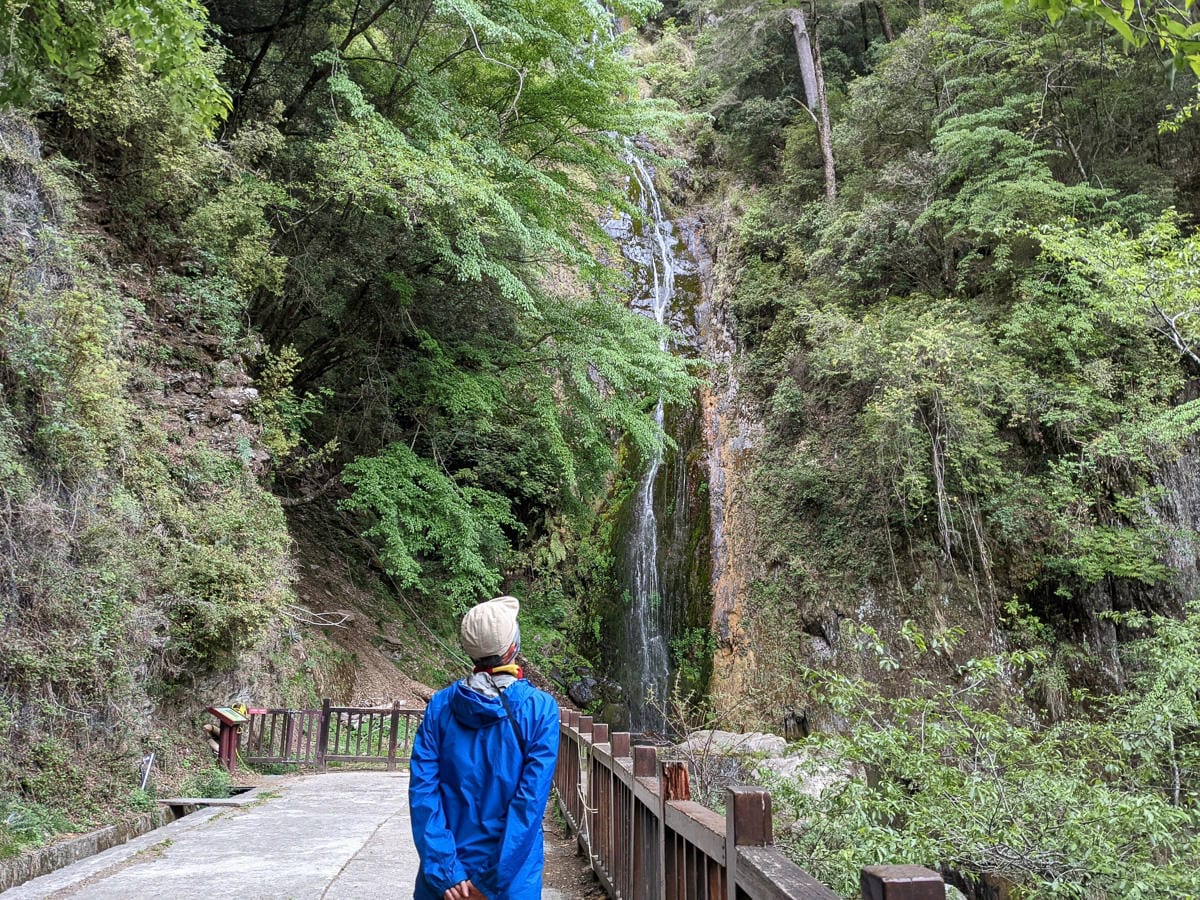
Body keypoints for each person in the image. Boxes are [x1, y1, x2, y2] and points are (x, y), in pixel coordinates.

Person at [409, 595, 560, 900]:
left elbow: (423, 794)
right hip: (510, 883)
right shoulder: (540, 709)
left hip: (445, 886)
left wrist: (447, 873)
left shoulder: (440, 707)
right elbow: (528, 806)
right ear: (511, 648)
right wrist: (488, 883)